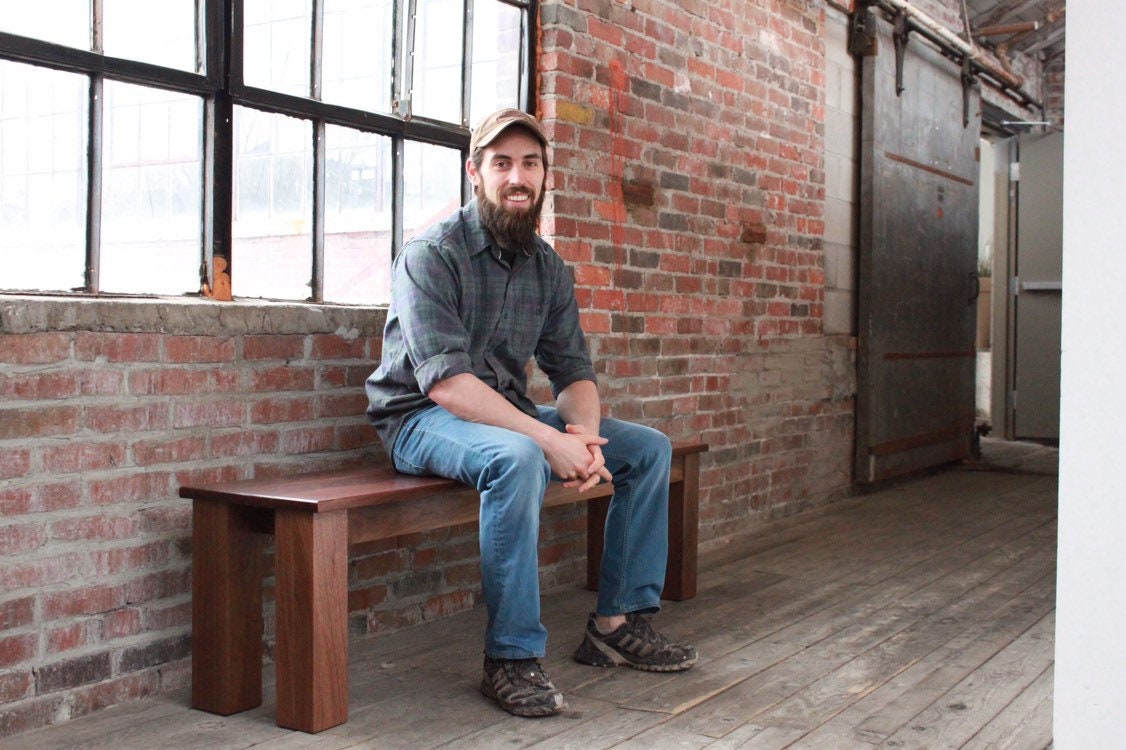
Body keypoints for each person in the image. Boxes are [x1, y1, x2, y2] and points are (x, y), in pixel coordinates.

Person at [365, 108, 697, 718]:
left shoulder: (548, 267)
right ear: (475, 173)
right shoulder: (430, 255)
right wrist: (548, 443)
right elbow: (447, 385)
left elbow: (572, 373)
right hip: (419, 419)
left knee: (646, 448)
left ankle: (615, 624)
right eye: (502, 163)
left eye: (530, 163)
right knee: (519, 455)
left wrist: (587, 439)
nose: (517, 176)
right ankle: (511, 659)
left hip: (503, 415)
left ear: (545, 175)